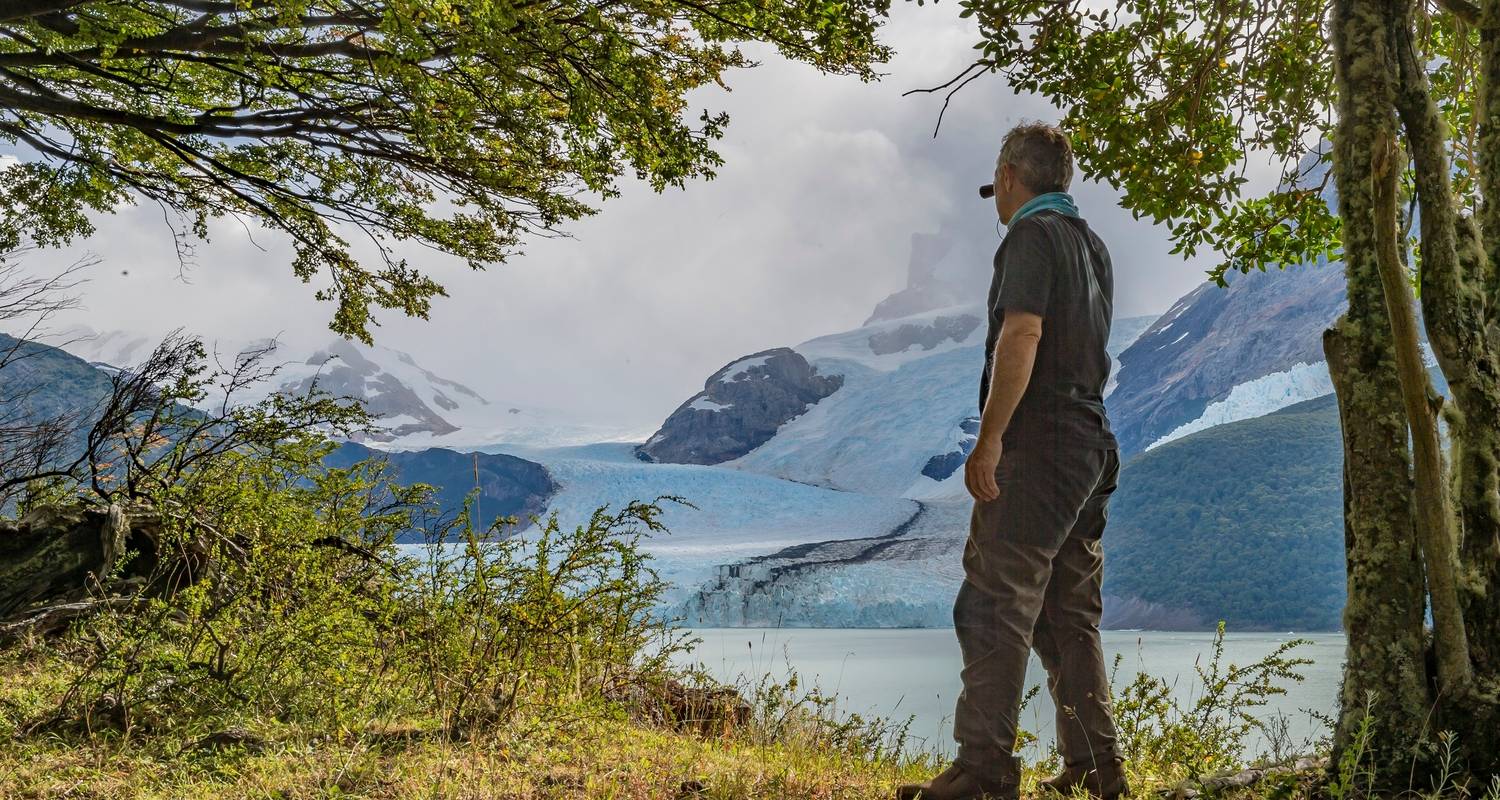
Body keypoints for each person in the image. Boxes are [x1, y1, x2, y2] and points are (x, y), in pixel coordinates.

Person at [897, 123, 1127, 800]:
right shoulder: (1093, 246)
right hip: (1090, 445)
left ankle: (985, 772)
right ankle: (1095, 770)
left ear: (1007, 176)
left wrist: (992, 436)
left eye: (995, 187)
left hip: (1042, 446)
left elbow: (1023, 332)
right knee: (1066, 613)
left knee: (993, 603)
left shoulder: (1031, 235)